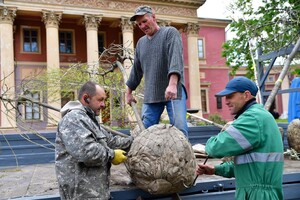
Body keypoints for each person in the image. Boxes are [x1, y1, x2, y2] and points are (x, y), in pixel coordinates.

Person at [196, 77, 284, 200]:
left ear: (246, 95)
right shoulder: (258, 116)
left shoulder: (252, 118)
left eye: (230, 96)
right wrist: (215, 169)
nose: (226, 101)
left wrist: (211, 142)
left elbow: (215, 148)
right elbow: (248, 166)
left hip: (257, 195)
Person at [55, 81, 133, 200]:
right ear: (86, 98)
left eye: (104, 100)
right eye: (100, 100)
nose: (103, 104)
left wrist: (137, 140)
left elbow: (111, 141)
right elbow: (86, 152)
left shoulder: (89, 121)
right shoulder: (73, 119)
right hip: (81, 194)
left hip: (96, 193)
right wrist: (112, 155)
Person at [126, 5, 188, 136]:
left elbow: (175, 59)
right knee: (144, 133)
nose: (142, 26)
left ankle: (184, 157)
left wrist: (172, 84)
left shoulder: (170, 33)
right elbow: (136, 70)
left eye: (144, 21)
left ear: (154, 17)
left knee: (180, 130)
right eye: (139, 24)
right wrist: (129, 92)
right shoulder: (141, 43)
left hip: (173, 92)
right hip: (151, 94)